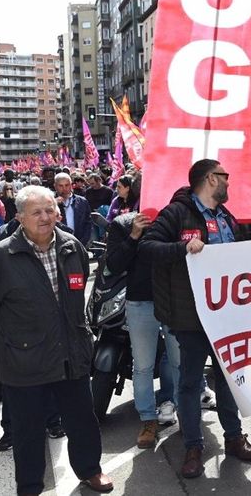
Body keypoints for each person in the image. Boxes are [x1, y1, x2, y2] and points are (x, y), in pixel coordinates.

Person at [0, 186, 113, 494]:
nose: (45, 217)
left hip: (71, 354)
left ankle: (90, 470)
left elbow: (79, 293)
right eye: (36, 212)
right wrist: (15, 339)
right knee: (28, 430)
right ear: (20, 217)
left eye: (50, 210)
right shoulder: (1, 256)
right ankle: (30, 485)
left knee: (82, 421)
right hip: (25, 361)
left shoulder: (71, 246)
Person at [140, 161, 251, 479]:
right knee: (190, 383)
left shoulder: (226, 217)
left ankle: (234, 438)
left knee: (228, 381)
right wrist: (182, 248)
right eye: (226, 177)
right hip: (190, 318)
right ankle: (193, 447)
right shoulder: (177, 213)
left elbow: (238, 255)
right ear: (211, 179)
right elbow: (148, 247)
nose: (229, 183)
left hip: (226, 318)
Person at [105, 179, 180, 449]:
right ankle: (148, 419)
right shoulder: (123, 223)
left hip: (175, 302)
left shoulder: (177, 220)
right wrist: (133, 236)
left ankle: (184, 412)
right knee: (144, 365)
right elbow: (113, 265)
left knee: (179, 361)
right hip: (140, 303)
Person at [54, 172, 92, 247]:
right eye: (60, 186)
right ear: (55, 186)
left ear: (71, 185)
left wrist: (83, 242)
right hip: (59, 244)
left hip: (79, 242)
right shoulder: (50, 202)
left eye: (67, 185)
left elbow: (88, 223)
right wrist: (53, 204)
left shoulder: (82, 201)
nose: (64, 189)